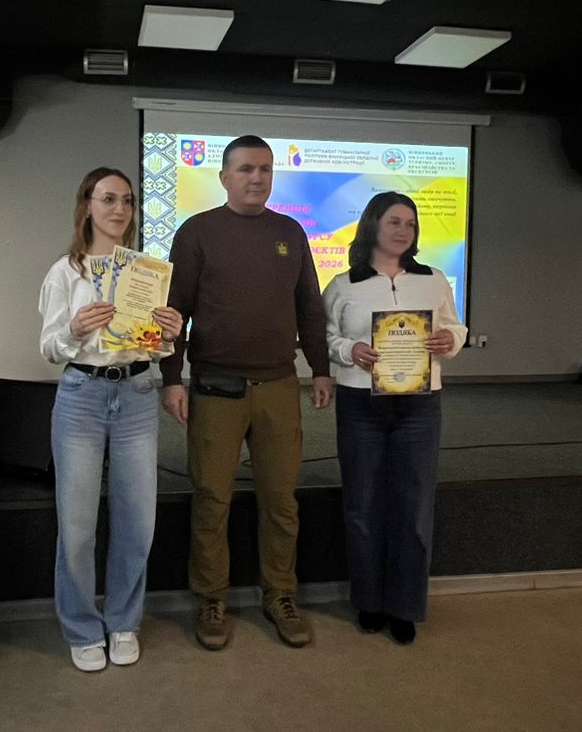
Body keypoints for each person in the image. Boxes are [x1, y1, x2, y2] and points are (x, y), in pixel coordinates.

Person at [160, 135, 334, 650]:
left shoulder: (290, 232)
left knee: (281, 501)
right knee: (212, 500)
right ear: (224, 177)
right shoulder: (197, 232)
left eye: (265, 169)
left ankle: (280, 595)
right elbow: (174, 310)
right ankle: (210, 599)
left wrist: (321, 369)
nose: (257, 178)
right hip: (216, 388)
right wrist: (171, 378)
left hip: (279, 386)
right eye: (245, 169)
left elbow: (309, 307)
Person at [37, 167, 183, 672]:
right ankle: (81, 627)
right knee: (77, 526)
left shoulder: (146, 273)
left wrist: (169, 333)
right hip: (82, 395)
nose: (120, 209)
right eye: (108, 199)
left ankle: (123, 621)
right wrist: (75, 330)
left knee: (137, 522)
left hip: (137, 393)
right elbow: (49, 348)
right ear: (87, 206)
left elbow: (152, 347)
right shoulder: (65, 273)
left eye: (127, 200)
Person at [322, 191, 466, 644]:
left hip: (419, 406)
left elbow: (455, 326)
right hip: (360, 403)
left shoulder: (433, 280)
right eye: (394, 222)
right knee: (362, 506)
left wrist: (451, 339)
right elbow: (323, 337)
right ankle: (369, 601)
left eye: (411, 223)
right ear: (372, 225)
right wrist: (350, 349)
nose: (404, 231)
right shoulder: (344, 284)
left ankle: (405, 606)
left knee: (414, 508)